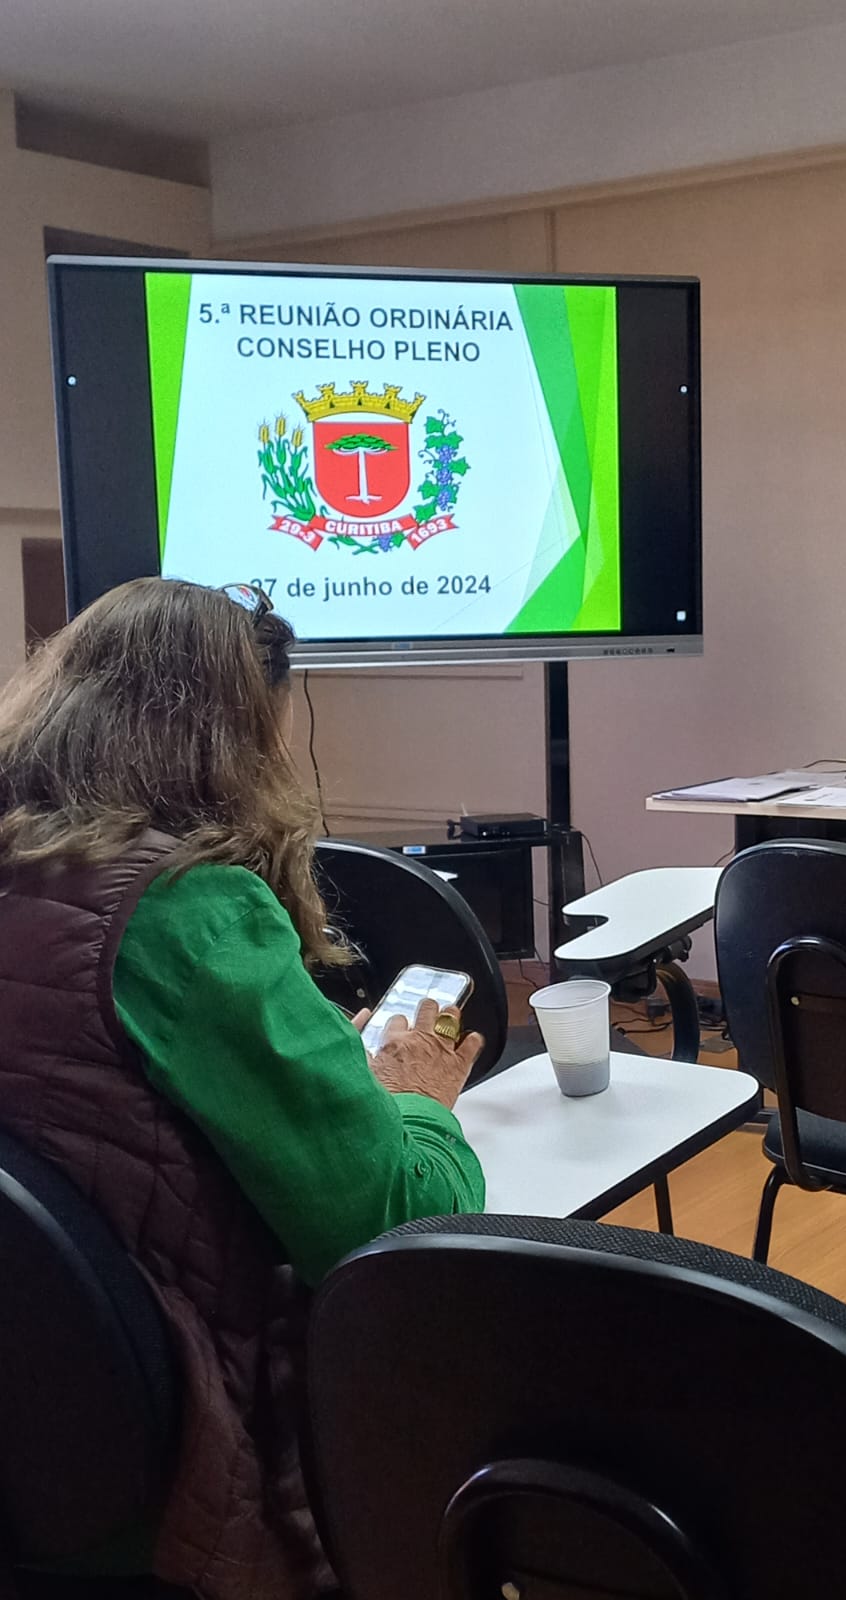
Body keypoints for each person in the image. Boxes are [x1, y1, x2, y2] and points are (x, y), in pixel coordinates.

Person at [0, 578, 487, 1600]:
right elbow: (392, 1228)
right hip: (174, 1463)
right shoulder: (189, 911)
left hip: (32, 1428)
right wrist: (418, 1100)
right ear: (233, 737)